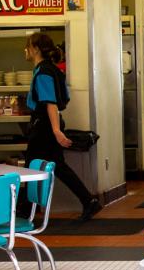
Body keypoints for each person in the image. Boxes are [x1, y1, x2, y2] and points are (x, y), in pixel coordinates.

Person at [22, 33, 101, 221]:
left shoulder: (43, 73)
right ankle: (88, 200)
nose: (25, 50)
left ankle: (25, 213)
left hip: (44, 126)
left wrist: (56, 131)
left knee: (32, 168)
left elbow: (51, 103)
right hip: (47, 124)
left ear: (36, 49)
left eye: (28, 46)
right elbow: (63, 98)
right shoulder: (54, 71)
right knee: (56, 166)